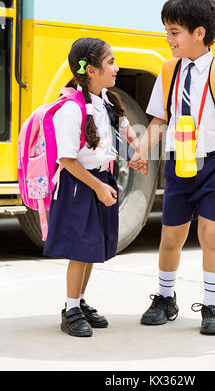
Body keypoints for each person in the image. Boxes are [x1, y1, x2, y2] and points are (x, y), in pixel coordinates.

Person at [129, 0, 215, 334]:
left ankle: (212, 306)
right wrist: (142, 150)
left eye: (174, 32)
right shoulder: (169, 71)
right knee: (171, 235)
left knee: (210, 236)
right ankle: (164, 297)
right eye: (168, 31)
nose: (168, 38)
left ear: (199, 33)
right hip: (179, 161)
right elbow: (158, 119)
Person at [43, 37, 147, 337]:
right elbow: (67, 159)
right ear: (90, 70)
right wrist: (98, 188)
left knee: (91, 247)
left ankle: (80, 301)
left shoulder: (107, 101)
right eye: (111, 61)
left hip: (101, 180)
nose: (116, 67)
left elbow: (126, 130)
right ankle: (71, 307)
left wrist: (138, 153)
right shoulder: (72, 109)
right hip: (80, 184)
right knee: (79, 249)